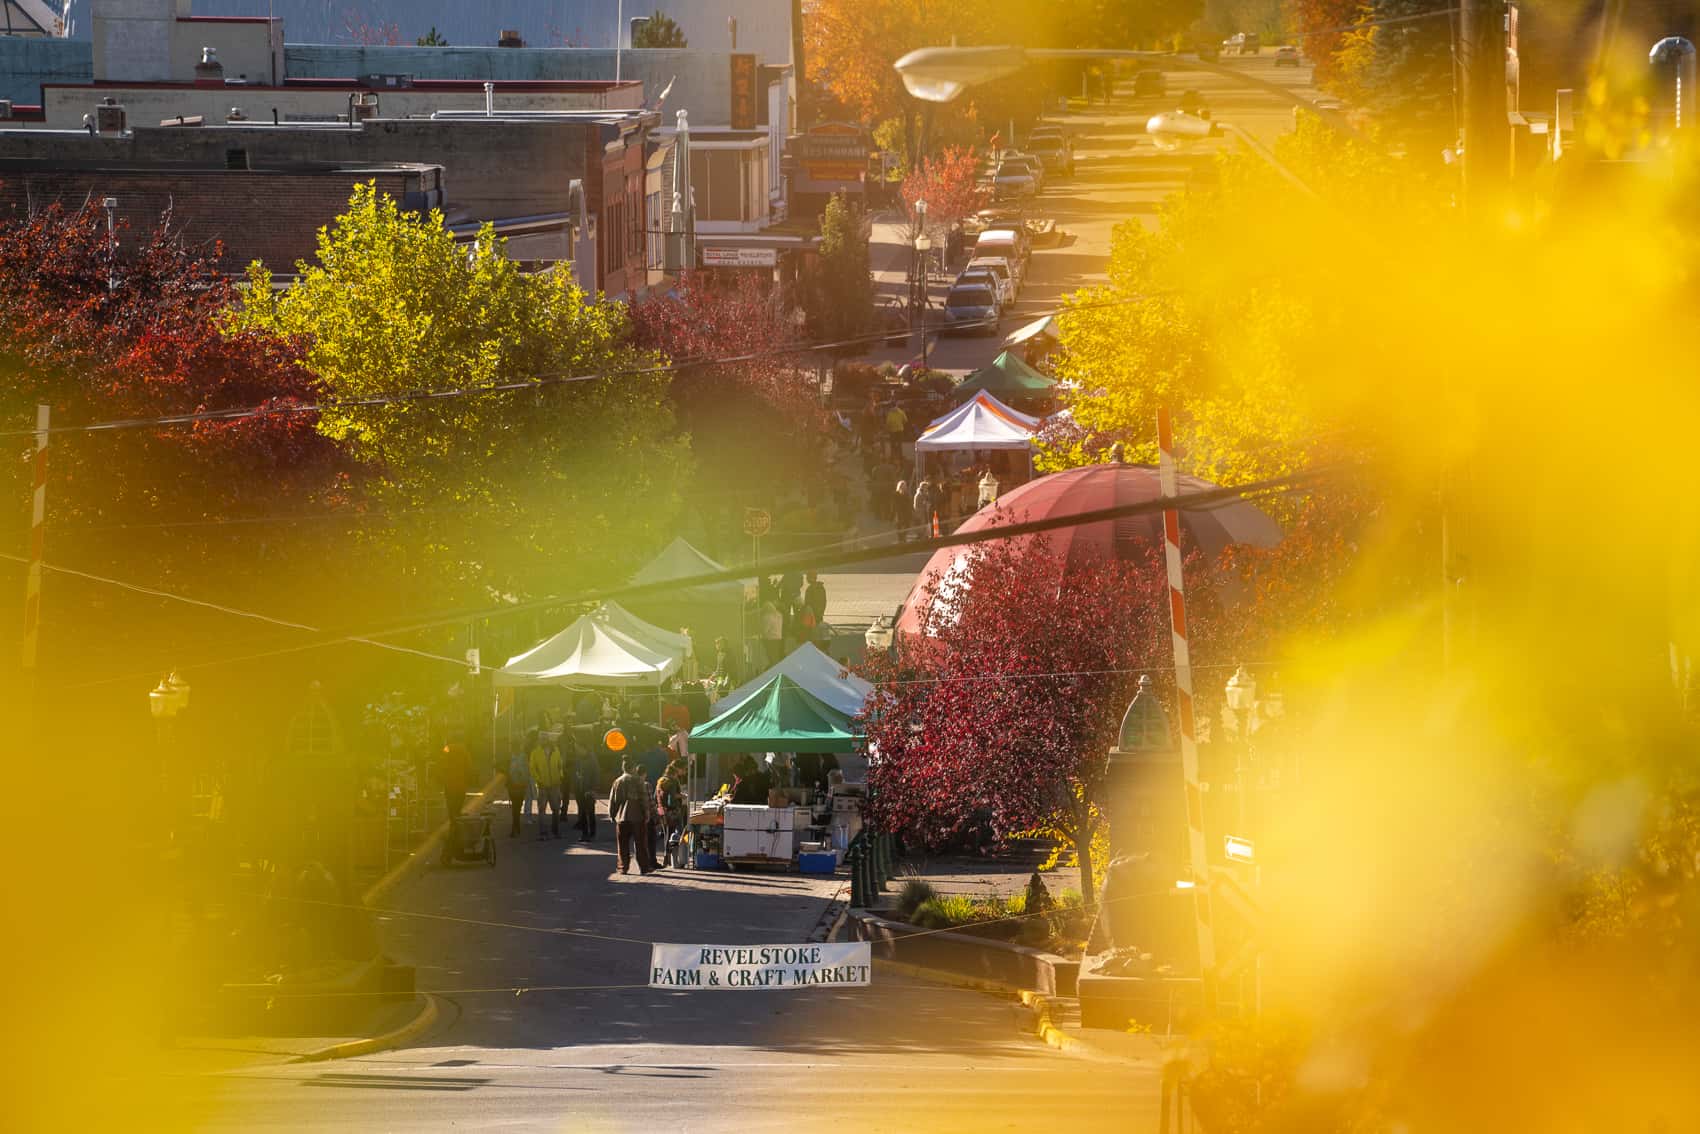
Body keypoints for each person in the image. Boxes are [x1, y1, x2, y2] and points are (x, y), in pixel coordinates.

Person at [609, 758, 659, 875]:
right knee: (641, 844)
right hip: (637, 817)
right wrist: (646, 814)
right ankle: (644, 867)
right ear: (632, 768)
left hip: (622, 817)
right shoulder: (637, 781)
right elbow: (644, 799)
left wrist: (612, 814)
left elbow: (613, 800)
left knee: (622, 844)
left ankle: (623, 867)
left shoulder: (617, 781)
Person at [529, 733, 564, 840]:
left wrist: (560, 777)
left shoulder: (556, 750)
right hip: (542, 786)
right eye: (541, 739)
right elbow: (532, 769)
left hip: (555, 785)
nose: (543, 741)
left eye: (544, 739)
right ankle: (543, 833)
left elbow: (560, 765)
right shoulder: (535, 753)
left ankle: (556, 831)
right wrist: (538, 780)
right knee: (542, 811)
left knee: (556, 809)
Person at [656, 760, 688, 868]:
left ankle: (667, 857)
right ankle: (672, 857)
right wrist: (682, 796)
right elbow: (673, 796)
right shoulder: (673, 781)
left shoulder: (661, 780)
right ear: (676, 771)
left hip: (662, 810)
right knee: (676, 834)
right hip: (672, 811)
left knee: (667, 833)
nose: (684, 771)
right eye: (683, 769)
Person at [571, 736, 600, 841]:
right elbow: (575, 773)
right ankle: (584, 833)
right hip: (579, 790)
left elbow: (596, 774)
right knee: (582, 813)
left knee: (590, 813)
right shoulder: (578, 759)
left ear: (584, 748)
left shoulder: (592, 759)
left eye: (578, 748)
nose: (577, 750)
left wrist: (593, 789)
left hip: (589, 790)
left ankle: (592, 833)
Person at [504, 745, 530, 838]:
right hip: (519, 786)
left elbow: (507, 770)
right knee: (517, 807)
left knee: (516, 808)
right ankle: (515, 827)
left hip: (515, 786)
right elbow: (527, 771)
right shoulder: (523, 757)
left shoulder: (511, 758)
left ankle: (515, 827)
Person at [760, 598, 784, 665]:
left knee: (770, 658)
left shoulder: (767, 617)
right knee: (776, 657)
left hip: (770, 640)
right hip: (778, 638)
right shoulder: (779, 615)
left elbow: (765, 630)